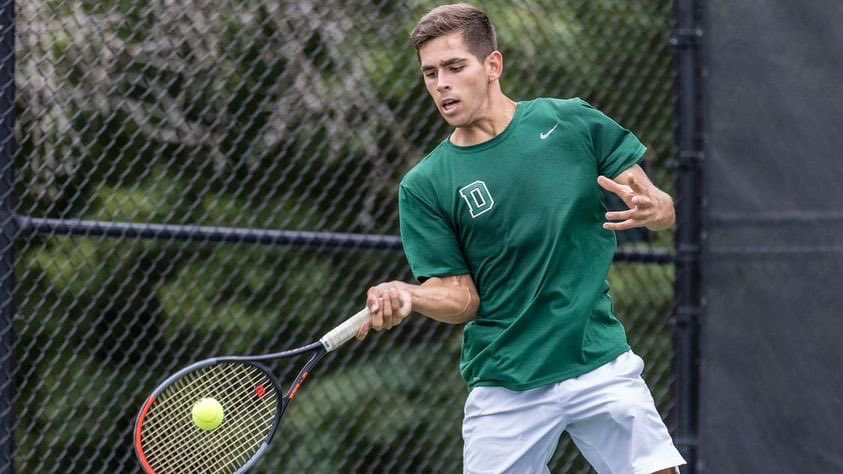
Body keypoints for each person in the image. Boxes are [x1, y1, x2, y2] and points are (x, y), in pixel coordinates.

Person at [357, 4, 686, 473]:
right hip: (505, 381)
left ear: (493, 66)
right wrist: (409, 293)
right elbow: (461, 297)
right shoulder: (425, 185)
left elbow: (661, 209)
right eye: (430, 73)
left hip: (594, 357)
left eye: (454, 67)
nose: (441, 84)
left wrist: (656, 208)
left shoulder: (571, 122)